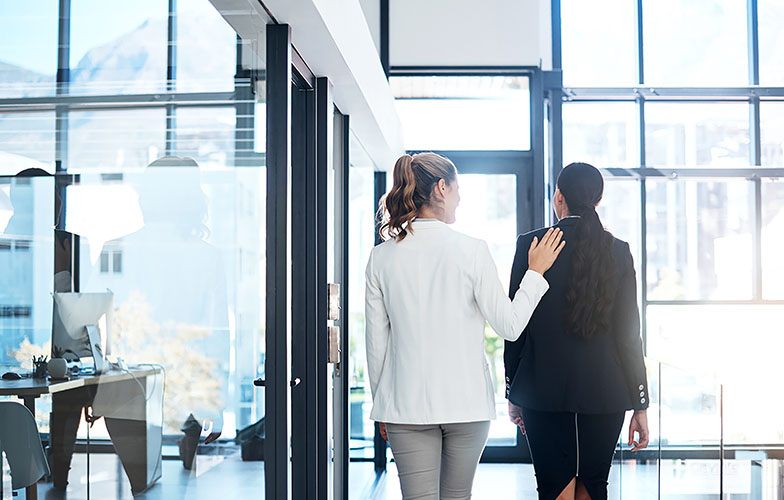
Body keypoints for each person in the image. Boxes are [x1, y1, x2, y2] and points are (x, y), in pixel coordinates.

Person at [365, 152, 565, 500]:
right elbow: (510, 325)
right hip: (466, 405)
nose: (461, 197)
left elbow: (376, 342)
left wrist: (382, 404)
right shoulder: (472, 250)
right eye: (458, 189)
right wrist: (535, 273)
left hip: (404, 406)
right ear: (442, 188)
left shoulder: (381, 256)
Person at [504, 162, 649, 500]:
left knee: (555, 487)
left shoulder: (531, 243)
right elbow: (630, 335)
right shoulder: (618, 250)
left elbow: (516, 327)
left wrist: (514, 390)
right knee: (594, 485)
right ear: (598, 199)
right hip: (606, 391)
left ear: (559, 198)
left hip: (541, 389)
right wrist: (640, 404)